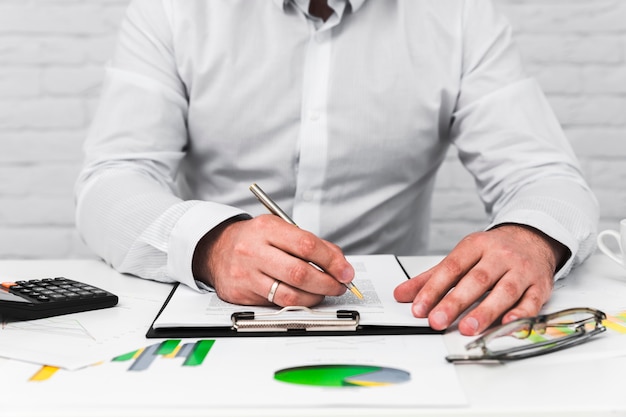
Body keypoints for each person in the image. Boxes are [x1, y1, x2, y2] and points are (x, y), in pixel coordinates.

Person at [75, 0, 599, 336]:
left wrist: (529, 237)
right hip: (214, 316)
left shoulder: (459, 15)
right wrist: (213, 247)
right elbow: (110, 183)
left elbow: (543, 176)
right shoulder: (172, 11)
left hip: (394, 324)